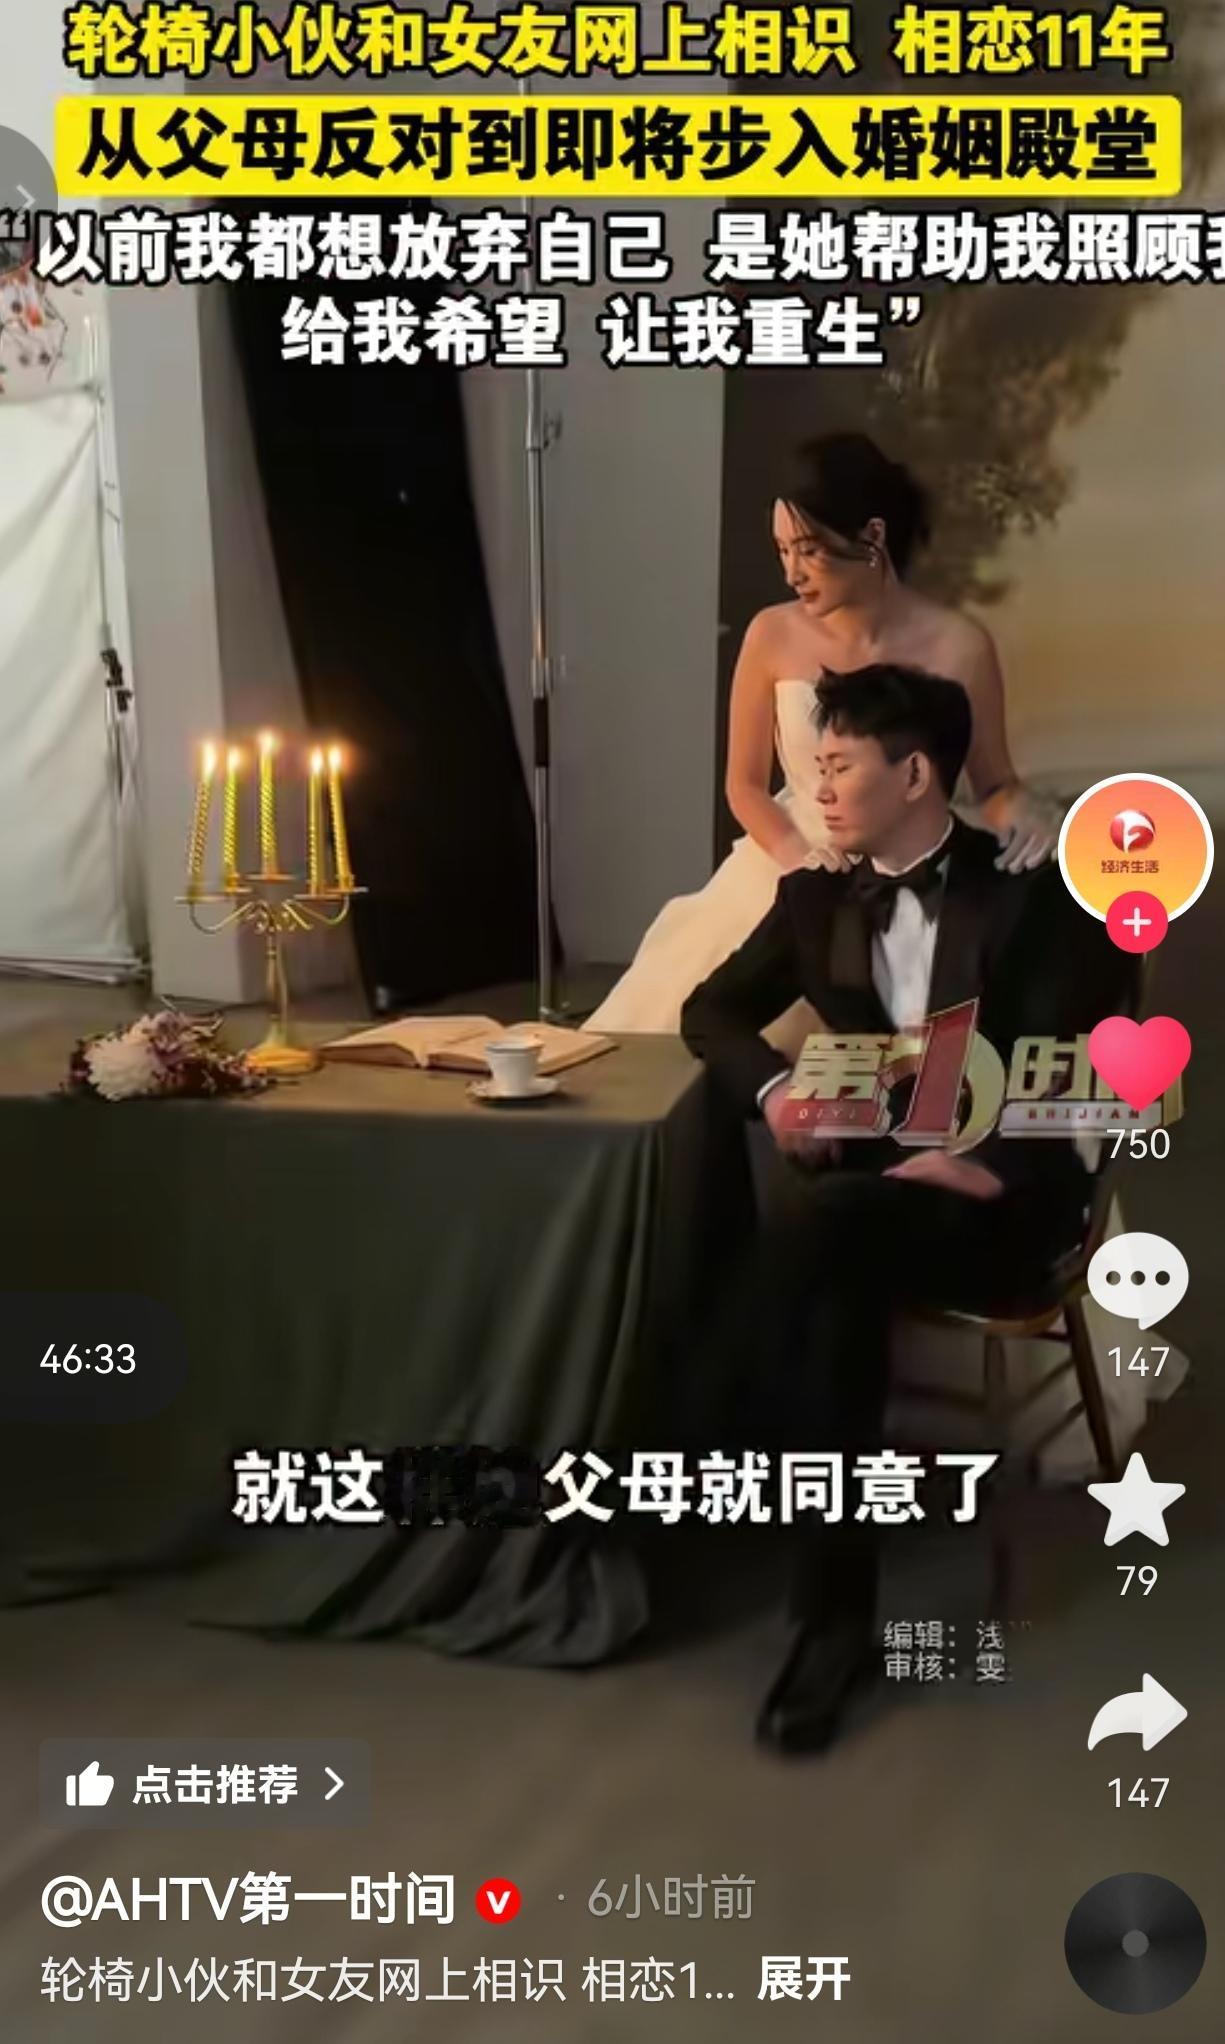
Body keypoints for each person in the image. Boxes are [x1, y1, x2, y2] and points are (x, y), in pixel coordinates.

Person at [680, 665, 1136, 1758]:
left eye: (838, 766)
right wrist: (775, 1089)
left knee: (819, 1239)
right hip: (869, 1203)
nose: (816, 790)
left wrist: (984, 1160)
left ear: (915, 773)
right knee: (835, 1263)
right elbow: (711, 1010)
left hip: (1001, 1209)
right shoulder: (814, 898)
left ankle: (712, 1435)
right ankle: (834, 1628)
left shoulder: (1030, 890)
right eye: (814, 767)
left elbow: (1097, 1060)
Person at [588, 432, 1062, 1035]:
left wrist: (1030, 814)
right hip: (792, 860)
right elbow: (744, 787)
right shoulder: (771, 635)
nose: (792, 572)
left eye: (808, 550)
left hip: (912, 859)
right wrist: (805, 866)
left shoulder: (960, 645)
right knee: (688, 1033)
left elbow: (994, 785)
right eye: (782, 551)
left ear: (872, 536)